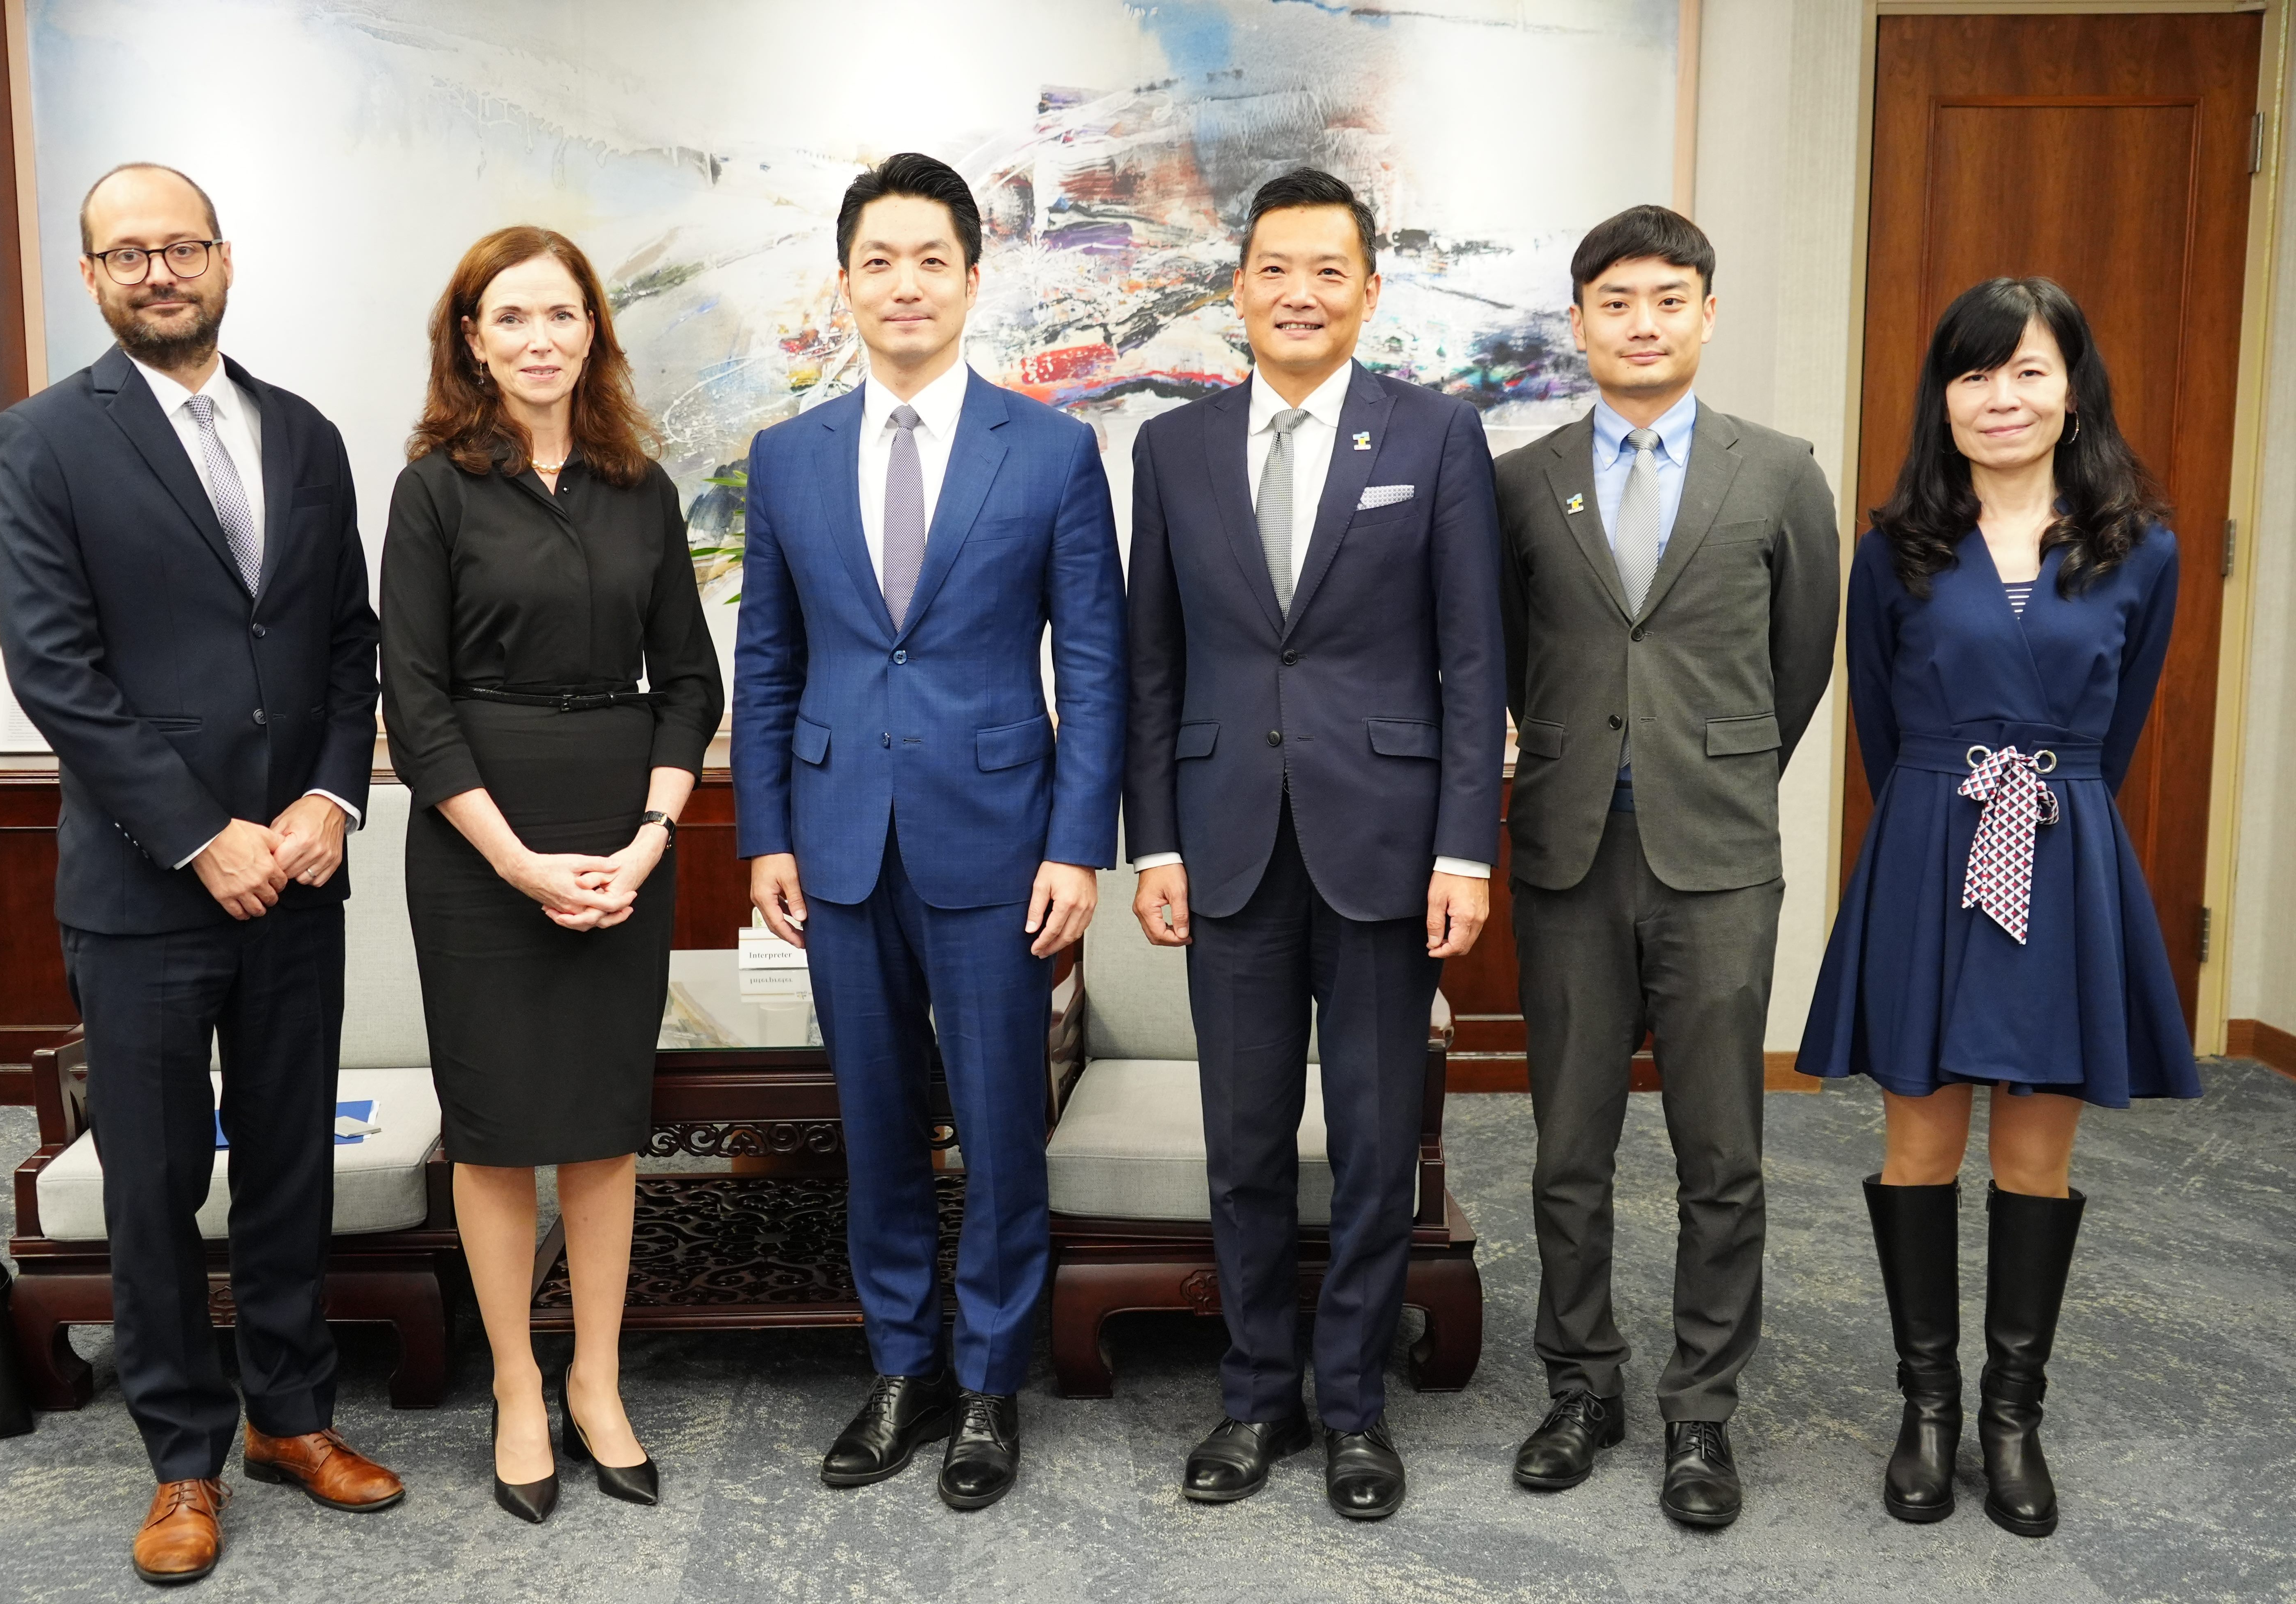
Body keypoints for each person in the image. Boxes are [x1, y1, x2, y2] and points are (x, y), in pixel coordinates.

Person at [0, 162, 400, 1585]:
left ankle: (293, 1416)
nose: (159, 272)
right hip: (147, 888)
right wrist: (197, 831)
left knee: (288, 1165)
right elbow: (57, 671)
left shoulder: (306, 433)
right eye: (128, 254)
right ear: (94, 278)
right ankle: (181, 1457)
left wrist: (335, 797)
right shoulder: (42, 442)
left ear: (224, 260)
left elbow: (350, 643)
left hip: (299, 873)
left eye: (182, 247)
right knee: (155, 1185)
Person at [732, 153, 1125, 1511]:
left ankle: (992, 1383)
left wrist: (1079, 847)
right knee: (877, 1118)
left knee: (1006, 1125)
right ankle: (902, 1365)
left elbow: (1096, 660)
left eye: (931, 260)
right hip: (837, 839)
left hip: (1004, 839)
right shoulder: (786, 457)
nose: (905, 285)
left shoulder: (1055, 449)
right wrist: (764, 834)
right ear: (844, 283)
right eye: (879, 262)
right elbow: (769, 661)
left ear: (972, 277)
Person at [1124, 167, 1503, 1522]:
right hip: (1224, 841)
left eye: (1328, 270)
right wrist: (1151, 843)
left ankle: (1354, 1408)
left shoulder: (1437, 435)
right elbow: (1152, 669)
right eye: (1274, 269)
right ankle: (1253, 1396)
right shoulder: (1169, 453)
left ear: (1368, 292)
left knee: (1373, 1138)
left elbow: (1473, 661)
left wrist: (1466, 851)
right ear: (1237, 289)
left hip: (1390, 848)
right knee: (1239, 1141)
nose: (1300, 293)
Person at [1799, 276, 2199, 1537]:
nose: (2000, 397)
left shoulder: (2143, 549)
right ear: (1946, 397)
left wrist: (2044, 808)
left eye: (2028, 370)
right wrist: (1943, 815)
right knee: (1919, 1142)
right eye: (1975, 374)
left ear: (2073, 386)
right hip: (1928, 848)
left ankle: (2012, 1419)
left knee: (2036, 1153)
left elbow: (2119, 732)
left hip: (2065, 856)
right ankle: (1928, 1411)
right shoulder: (1895, 547)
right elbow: (1876, 725)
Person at [1495, 205, 1838, 1529]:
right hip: (1568, 850)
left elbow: (1801, 659)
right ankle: (1583, 1383)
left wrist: (1722, 766)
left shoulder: (1779, 472)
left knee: (1721, 1150)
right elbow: (1507, 653)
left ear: (1707, 314)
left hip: (1716, 858)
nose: (1643, 322)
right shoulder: (1524, 482)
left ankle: (1704, 1411)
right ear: (1577, 323)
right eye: (1617, 301)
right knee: (1567, 1147)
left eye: (1669, 298)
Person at [383, 226, 723, 1524]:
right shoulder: (433, 490)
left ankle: (596, 1380)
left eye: (562, 315)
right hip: (482, 847)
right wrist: (521, 862)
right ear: (471, 337)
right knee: (496, 1132)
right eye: (511, 317)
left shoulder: (642, 485)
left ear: (595, 331)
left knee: (601, 1128)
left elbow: (692, 681)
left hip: (622, 838)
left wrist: (648, 839)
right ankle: (518, 1387)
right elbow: (412, 705)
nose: (539, 340)